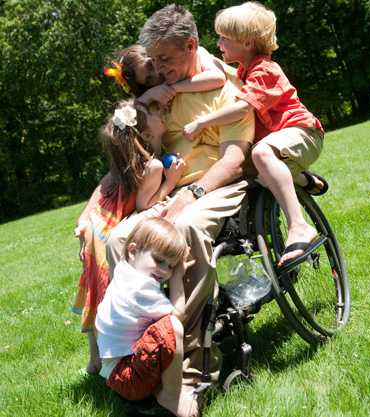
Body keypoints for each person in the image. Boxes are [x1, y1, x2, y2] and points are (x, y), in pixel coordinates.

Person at [106, 4, 255, 414]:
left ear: (192, 46)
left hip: (216, 185)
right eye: (153, 61)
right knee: (119, 238)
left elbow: (234, 159)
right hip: (172, 189)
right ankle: (138, 356)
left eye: (166, 60)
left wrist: (195, 193)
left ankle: (190, 370)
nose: (158, 69)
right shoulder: (164, 95)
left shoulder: (226, 87)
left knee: (185, 230)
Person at [182, 1, 328, 266]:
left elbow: (241, 109)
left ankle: (299, 226)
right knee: (255, 172)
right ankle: (304, 181)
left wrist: (202, 123)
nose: (219, 43)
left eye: (225, 38)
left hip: (303, 132)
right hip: (284, 141)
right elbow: (214, 65)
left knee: (261, 152)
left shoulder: (265, 71)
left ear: (247, 43)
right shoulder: (244, 70)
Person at [72, 99, 185, 374]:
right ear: (146, 135)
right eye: (154, 112)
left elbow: (101, 187)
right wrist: (171, 182)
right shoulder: (153, 166)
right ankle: (110, 356)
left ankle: (94, 358)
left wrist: (85, 218)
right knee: (106, 290)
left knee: (95, 291)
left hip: (97, 226)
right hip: (109, 230)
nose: (161, 111)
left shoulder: (125, 163)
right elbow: (145, 205)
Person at [95, 217, 197, 417]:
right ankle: (171, 395)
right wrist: (177, 278)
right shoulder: (140, 288)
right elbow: (179, 314)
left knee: (162, 328)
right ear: (132, 251)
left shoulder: (124, 271)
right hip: (128, 379)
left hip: (116, 373)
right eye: (159, 260)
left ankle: (154, 392)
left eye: (171, 266)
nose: (164, 271)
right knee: (172, 327)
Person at [105, 43, 227, 107]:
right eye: (149, 80)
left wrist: (174, 88)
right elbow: (132, 113)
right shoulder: (159, 96)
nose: (157, 73)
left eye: (150, 65)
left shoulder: (192, 53)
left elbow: (218, 77)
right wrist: (149, 95)